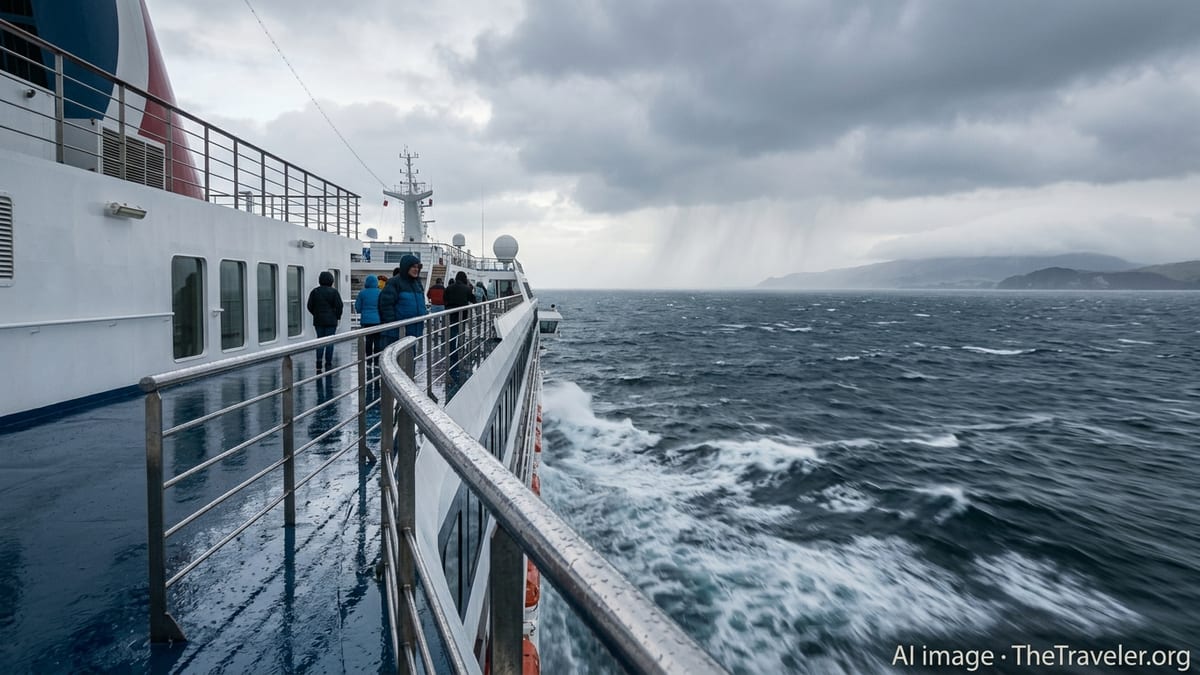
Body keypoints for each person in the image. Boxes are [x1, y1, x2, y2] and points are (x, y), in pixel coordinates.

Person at [379, 257, 427, 353]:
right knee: (397, 360)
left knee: (410, 361)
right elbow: (385, 305)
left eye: (418, 267)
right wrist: (393, 325)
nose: (416, 269)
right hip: (397, 332)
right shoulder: (394, 282)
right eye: (413, 267)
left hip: (414, 330)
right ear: (406, 267)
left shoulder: (417, 283)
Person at [306, 270, 342, 371]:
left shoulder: (315, 292)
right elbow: (339, 306)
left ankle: (318, 363)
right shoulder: (334, 292)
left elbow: (309, 306)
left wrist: (316, 314)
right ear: (331, 280)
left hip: (319, 321)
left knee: (320, 341)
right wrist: (337, 316)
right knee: (330, 342)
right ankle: (328, 363)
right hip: (331, 321)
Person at [355, 274, 382, 365]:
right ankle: (377, 361)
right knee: (378, 341)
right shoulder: (380, 292)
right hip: (378, 320)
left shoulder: (362, 293)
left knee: (368, 341)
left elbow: (358, 308)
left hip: (366, 321)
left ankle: (369, 362)